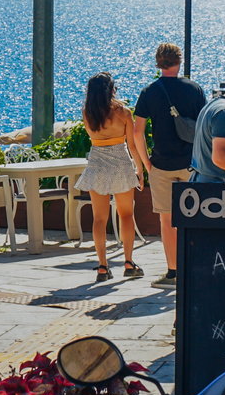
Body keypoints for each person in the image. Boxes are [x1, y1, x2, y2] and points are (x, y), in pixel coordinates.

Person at [133, 43, 207, 288]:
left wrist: (146, 165)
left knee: (167, 221)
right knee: (193, 218)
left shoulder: (149, 92)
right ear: (179, 61)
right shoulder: (194, 89)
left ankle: (173, 273)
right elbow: (205, 128)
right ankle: (194, 269)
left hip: (161, 165)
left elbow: (137, 132)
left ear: (158, 62)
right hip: (190, 164)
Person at [74, 72, 144, 282]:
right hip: (120, 162)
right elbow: (132, 145)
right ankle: (129, 262)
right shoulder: (123, 112)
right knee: (126, 215)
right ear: (111, 89)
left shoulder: (87, 112)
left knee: (99, 218)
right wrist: (139, 170)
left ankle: (102, 266)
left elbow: (93, 137)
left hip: (97, 162)